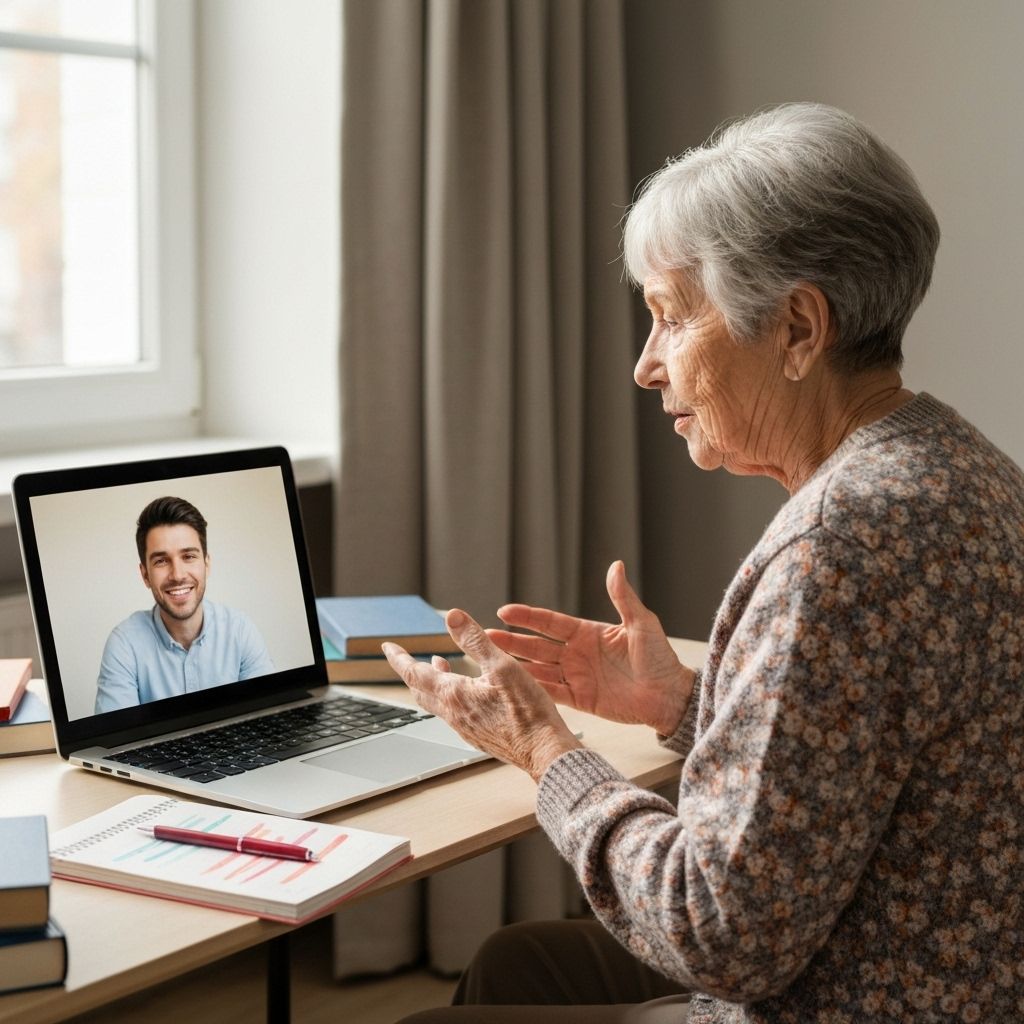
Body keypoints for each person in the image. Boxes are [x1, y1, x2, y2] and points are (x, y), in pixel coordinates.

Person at [383, 103, 1024, 1023]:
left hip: (851, 994)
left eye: (672, 319)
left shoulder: (835, 550)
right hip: (931, 966)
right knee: (518, 965)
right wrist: (687, 707)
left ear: (800, 328)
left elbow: (716, 931)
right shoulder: (955, 463)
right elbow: (865, 757)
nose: (647, 367)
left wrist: (545, 751)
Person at [95, 495, 275, 713]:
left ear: (206, 564)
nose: (178, 575)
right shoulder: (124, 645)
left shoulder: (240, 630)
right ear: (145, 575)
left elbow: (267, 719)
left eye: (188, 556)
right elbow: (118, 740)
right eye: (161, 561)